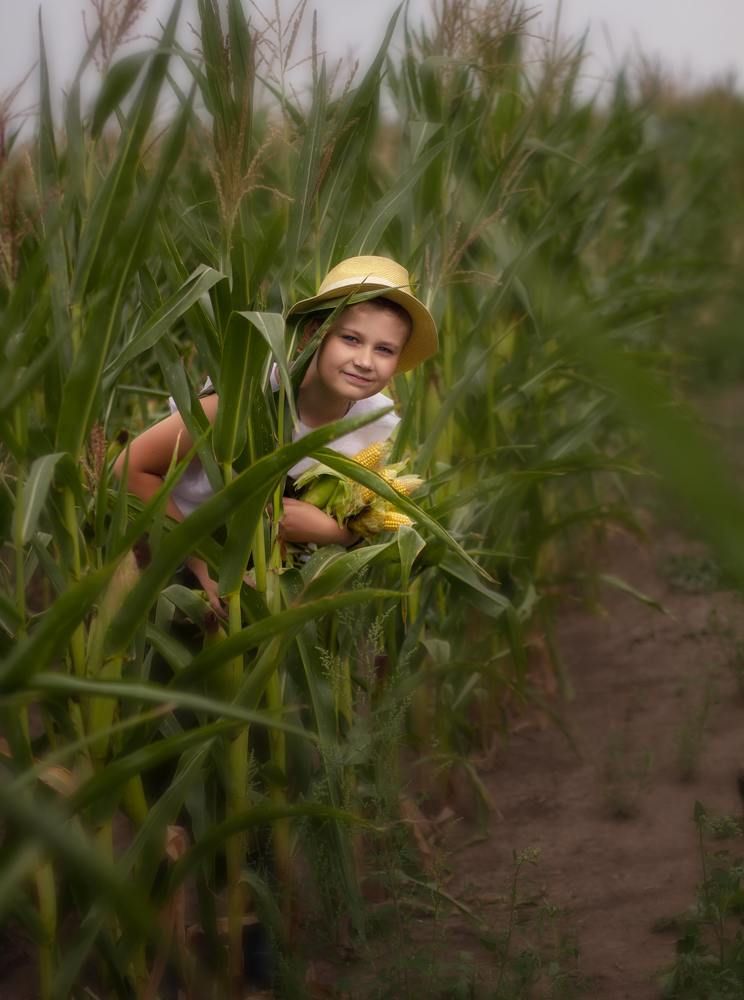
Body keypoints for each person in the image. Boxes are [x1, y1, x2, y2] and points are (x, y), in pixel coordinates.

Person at [114, 255, 438, 612]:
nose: (364, 360)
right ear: (313, 335)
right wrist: (204, 566)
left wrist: (336, 533)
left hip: (260, 586)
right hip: (168, 564)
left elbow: (358, 516)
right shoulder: (244, 398)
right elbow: (129, 467)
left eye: (384, 350)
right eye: (350, 339)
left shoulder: (372, 425)